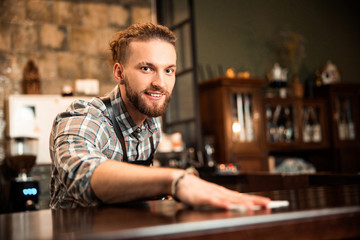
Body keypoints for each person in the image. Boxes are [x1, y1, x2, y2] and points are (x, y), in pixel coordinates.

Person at [49, 23, 270, 210]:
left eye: (168, 70)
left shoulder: (151, 123)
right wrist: (175, 182)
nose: (160, 83)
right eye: (146, 68)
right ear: (119, 73)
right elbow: (84, 174)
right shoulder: (85, 117)